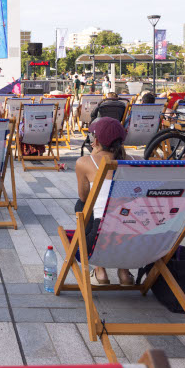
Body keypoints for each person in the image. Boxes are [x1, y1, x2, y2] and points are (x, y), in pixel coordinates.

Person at [74, 118, 132, 286]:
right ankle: (124, 272)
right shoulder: (136, 161)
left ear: (96, 141)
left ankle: (100, 271)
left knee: (82, 205)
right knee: (125, 214)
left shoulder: (85, 162)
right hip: (136, 238)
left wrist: (93, 156)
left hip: (100, 240)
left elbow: (84, 197)